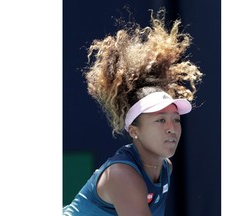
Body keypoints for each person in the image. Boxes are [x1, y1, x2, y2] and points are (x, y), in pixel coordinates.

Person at [63, 9, 203, 216]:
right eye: (160, 120)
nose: (171, 128)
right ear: (134, 130)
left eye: (176, 120)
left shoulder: (165, 168)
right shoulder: (122, 174)